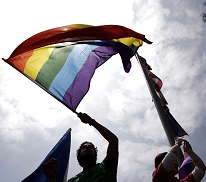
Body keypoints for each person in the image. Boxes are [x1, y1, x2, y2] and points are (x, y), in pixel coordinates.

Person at [44, 112, 119, 182]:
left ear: (95, 155)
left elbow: (113, 141)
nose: (87, 147)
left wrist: (91, 122)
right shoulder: (73, 180)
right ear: (79, 156)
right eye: (84, 147)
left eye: (91, 147)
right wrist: (51, 176)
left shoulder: (106, 166)